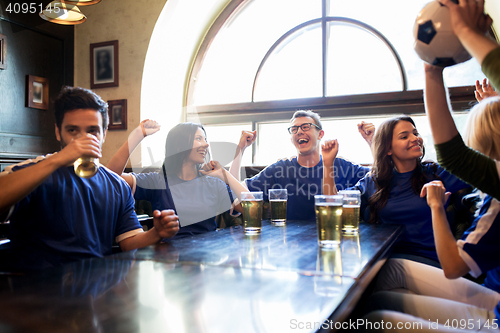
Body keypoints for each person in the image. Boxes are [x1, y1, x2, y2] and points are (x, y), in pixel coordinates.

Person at [0, 86, 179, 271]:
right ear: (57, 132)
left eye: (92, 131)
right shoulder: (31, 172)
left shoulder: (116, 185)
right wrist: (59, 159)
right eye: (72, 131)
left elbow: (130, 242)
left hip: (95, 290)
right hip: (34, 292)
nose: (83, 139)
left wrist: (156, 233)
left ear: (104, 134)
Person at [328, 116, 469, 264]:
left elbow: (485, 175)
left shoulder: (436, 174)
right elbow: (333, 208)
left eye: (415, 133)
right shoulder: (374, 181)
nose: (415, 138)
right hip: (387, 258)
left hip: (430, 261)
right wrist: (327, 164)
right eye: (404, 136)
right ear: (388, 148)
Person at [107, 121, 248, 238]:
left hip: (207, 258)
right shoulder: (157, 181)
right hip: (169, 260)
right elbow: (109, 177)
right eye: (199, 139)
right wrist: (137, 135)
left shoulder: (213, 182)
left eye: (205, 139)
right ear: (180, 146)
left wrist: (225, 175)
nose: (206, 144)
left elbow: (251, 208)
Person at [228, 110, 373, 221]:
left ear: (320, 134)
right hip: (290, 244)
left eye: (305, 127)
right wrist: (240, 149)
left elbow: (379, 176)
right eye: (294, 129)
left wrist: (372, 142)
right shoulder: (281, 168)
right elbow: (236, 192)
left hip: (332, 236)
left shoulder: (341, 165)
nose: (299, 132)